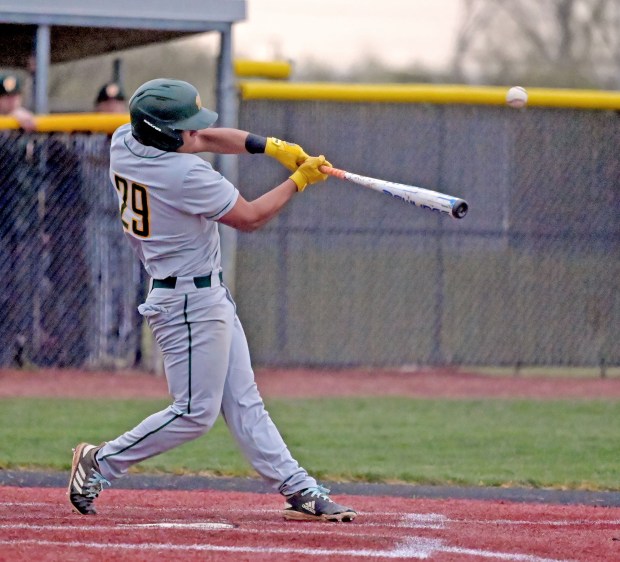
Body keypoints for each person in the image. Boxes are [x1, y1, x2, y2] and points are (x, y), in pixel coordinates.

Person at [68, 78, 357, 523]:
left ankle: (297, 487)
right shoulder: (184, 175)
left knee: (244, 401)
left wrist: (272, 146)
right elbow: (250, 217)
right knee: (193, 414)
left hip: (202, 293)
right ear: (165, 134)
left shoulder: (125, 139)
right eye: (184, 128)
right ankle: (99, 461)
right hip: (185, 301)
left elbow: (202, 137)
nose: (195, 134)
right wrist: (298, 180)